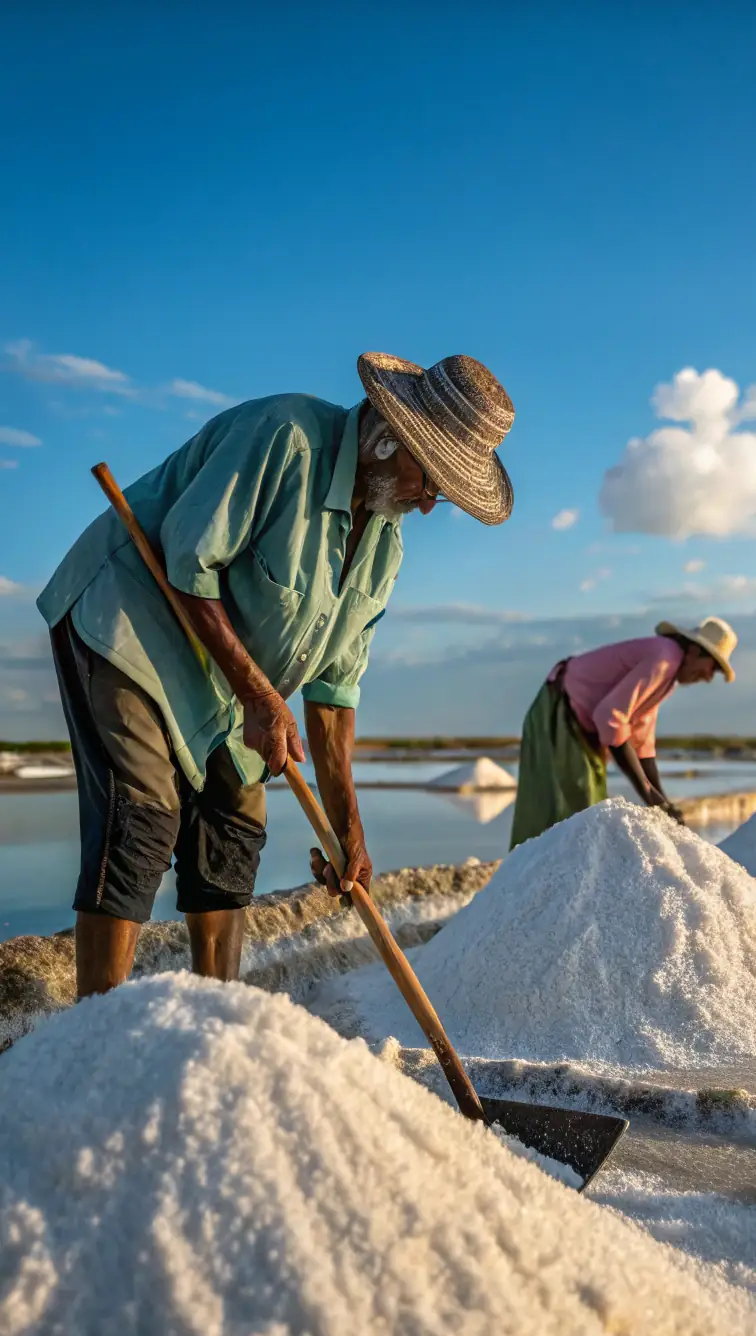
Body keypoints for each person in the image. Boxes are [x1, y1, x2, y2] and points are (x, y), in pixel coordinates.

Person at [37, 352, 515, 998]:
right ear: (385, 437)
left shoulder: (385, 548)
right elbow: (186, 556)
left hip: (225, 686)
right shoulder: (285, 439)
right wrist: (260, 695)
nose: (428, 505)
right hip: (130, 618)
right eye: (429, 479)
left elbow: (334, 693)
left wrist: (348, 824)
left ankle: (216, 1028)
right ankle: (93, 1046)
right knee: (142, 820)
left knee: (234, 831)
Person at [509, 618, 737, 849]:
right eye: (713, 667)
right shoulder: (664, 657)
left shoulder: (668, 675)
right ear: (694, 650)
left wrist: (662, 801)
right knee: (570, 811)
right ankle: (530, 878)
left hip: (580, 726)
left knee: (586, 812)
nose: (708, 677)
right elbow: (609, 717)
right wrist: (649, 795)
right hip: (559, 710)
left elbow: (642, 743)